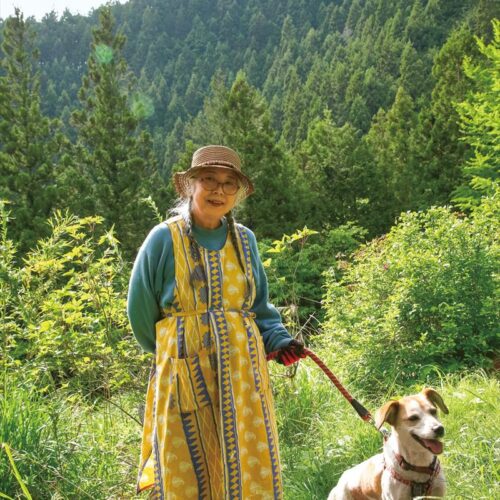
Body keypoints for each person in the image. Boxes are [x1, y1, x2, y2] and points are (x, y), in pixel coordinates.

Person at [127, 145, 305, 499]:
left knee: (246, 465)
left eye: (228, 183)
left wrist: (278, 340)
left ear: (237, 194)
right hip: (183, 375)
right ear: (190, 185)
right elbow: (141, 314)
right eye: (209, 180)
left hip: (243, 378)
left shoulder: (245, 241)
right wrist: (176, 353)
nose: (218, 190)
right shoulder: (165, 238)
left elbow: (257, 307)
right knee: (187, 471)